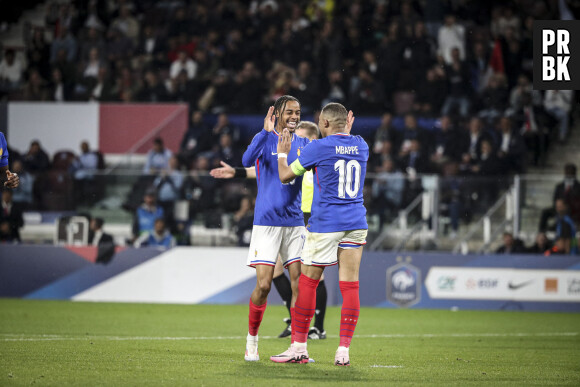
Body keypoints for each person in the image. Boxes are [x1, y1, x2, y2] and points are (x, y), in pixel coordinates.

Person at [210, 121, 329, 340]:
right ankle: (295, 320)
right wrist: (236, 172)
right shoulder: (295, 162)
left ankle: (318, 327)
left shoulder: (315, 164)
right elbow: (264, 172)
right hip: (285, 220)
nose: (292, 142)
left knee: (311, 277)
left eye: (300, 138)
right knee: (274, 271)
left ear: (311, 140)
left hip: (309, 220)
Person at [272, 102, 366, 366]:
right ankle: (343, 351)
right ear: (347, 123)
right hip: (356, 222)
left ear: (323, 124)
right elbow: (344, 138)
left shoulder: (318, 148)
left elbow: (285, 176)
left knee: (308, 282)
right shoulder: (361, 145)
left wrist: (282, 154)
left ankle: (299, 347)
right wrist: (344, 130)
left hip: (326, 223)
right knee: (350, 286)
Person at [239, 96, 309, 362]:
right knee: (265, 285)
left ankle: (297, 347)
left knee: (299, 286)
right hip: (266, 222)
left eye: (298, 112)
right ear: (278, 113)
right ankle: (252, 341)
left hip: (294, 223)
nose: (294, 116)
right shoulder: (266, 139)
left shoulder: (303, 144)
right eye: (289, 111)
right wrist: (264, 131)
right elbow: (246, 159)